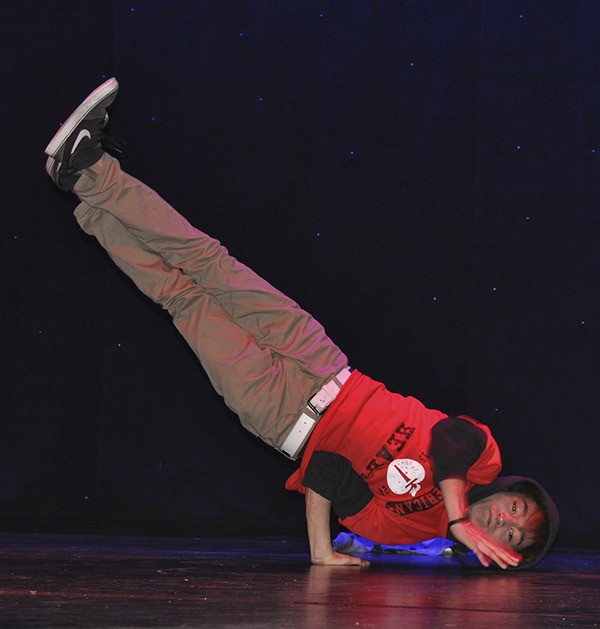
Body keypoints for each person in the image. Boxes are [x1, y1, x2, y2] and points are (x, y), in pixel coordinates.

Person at [45, 78, 559, 570]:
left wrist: (321, 550)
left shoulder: (410, 530)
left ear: (498, 551)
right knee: (209, 260)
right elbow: (449, 437)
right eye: (517, 508)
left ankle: (85, 187)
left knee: (183, 298)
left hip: (281, 417)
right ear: (510, 490)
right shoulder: (482, 460)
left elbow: (325, 473)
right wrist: (458, 515)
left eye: (513, 535)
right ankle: (92, 170)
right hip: (325, 364)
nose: (506, 519)